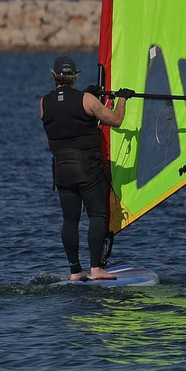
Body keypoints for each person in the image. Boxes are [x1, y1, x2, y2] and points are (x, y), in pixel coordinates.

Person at [39, 55, 126, 282]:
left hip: (62, 171)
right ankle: (96, 268)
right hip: (87, 169)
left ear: (53, 75)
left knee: (70, 221)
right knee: (97, 216)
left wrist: (87, 96)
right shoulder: (87, 100)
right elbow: (116, 120)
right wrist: (123, 98)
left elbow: (64, 115)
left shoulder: (43, 103)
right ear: (75, 77)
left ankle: (75, 271)